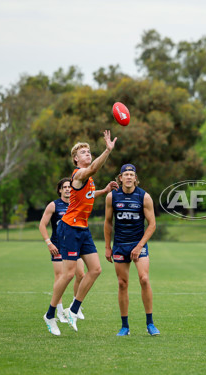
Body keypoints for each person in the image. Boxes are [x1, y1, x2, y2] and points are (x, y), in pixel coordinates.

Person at [43, 130, 119, 336]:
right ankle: (50, 314)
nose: (88, 154)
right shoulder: (78, 174)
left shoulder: (87, 179)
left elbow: (88, 193)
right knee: (68, 274)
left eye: (89, 151)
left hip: (82, 229)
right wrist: (108, 150)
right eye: (83, 152)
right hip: (68, 229)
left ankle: (73, 309)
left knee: (95, 270)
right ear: (76, 159)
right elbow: (93, 168)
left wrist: (104, 191)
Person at [104, 164, 160, 337]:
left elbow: (152, 225)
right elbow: (108, 222)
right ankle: (124, 326)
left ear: (136, 178)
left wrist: (139, 246)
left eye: (131, 174)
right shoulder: (111, 196)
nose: (129, 177)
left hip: (138, 243)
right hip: (120, 244)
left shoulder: (144, 197)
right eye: (125, 174)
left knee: (144, 279)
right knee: (122, 284)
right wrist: (107, 246)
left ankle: (150, 323)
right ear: (120, 178)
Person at [39, 178, 86, 323]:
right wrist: (49, 243)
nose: (67, 189)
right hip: (58, 246)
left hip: (73, 245)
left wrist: (104, 191)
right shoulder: (53, 205)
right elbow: (42, 225)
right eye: (64, 187)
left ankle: (75, 306)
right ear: (60, 190)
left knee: (81, 275)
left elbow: (90, 195)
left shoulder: (76, 204)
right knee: (61, 277)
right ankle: (59, 311)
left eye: (69, 187)